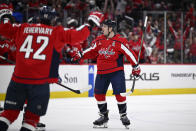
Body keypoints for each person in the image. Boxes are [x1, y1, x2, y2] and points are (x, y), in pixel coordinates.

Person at [0, 5, 102, 131]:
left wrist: (5, 16)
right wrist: (90, 23)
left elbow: (4, 29)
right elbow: (79, 36)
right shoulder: (57, 32)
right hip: (40, 84)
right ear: (53, 19)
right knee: (31, 119)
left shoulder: (23, 28)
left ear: (38, 17)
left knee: (8, 114)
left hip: (18, 80)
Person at [79, 19, 141, 128]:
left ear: (110, 28)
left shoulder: (120, 41)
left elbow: (130, 54)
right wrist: (81, 55)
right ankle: (103, 116)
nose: (102, 28)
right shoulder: (99, 40)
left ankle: (123, 115)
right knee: (98, 94)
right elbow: (92, 51)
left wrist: (135, 66)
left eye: (104, 27)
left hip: (116, 72)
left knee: (120, 94)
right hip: (101, 73)